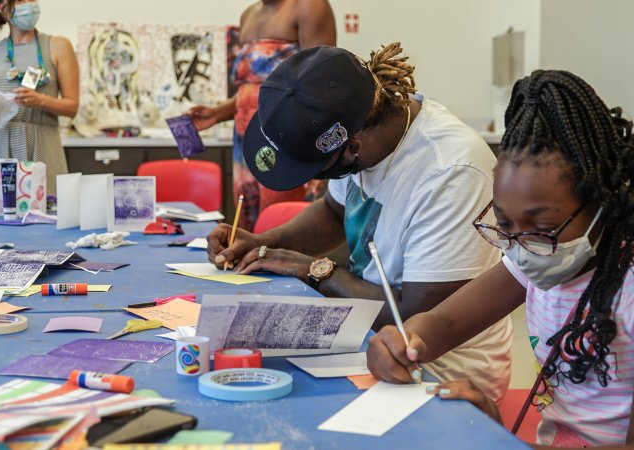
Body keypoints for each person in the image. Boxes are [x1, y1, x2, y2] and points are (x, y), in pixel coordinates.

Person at [367, 70, 634, 448]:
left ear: (601, 202)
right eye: (505, 226)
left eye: (543, 226)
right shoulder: (533, 257)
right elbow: (446, 322)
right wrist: (402, 343)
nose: (521, 246)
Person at [207, 44, 513, 403]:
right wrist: (261, 244)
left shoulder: (451, 171)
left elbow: (416, 319)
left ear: (353, 148)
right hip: (367, 335)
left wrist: (317, 270)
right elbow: (333, 213)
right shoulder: (356, 128)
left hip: (437, 373)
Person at [189, 0, 336, 231]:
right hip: (246, 139)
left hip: (285, 139)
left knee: (280, 226)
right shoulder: (248, 14)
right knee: (246, 223)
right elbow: (252, 89)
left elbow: (320, 83)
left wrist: (319, 155)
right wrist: (216, 114)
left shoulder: (308, 5)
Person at [0, 0, 78, 196]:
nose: (28, 5)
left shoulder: (58, 46)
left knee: (47, 211)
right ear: (0, 6)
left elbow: (72, 107)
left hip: (42, 145)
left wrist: (40, 100)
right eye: (20, 0)